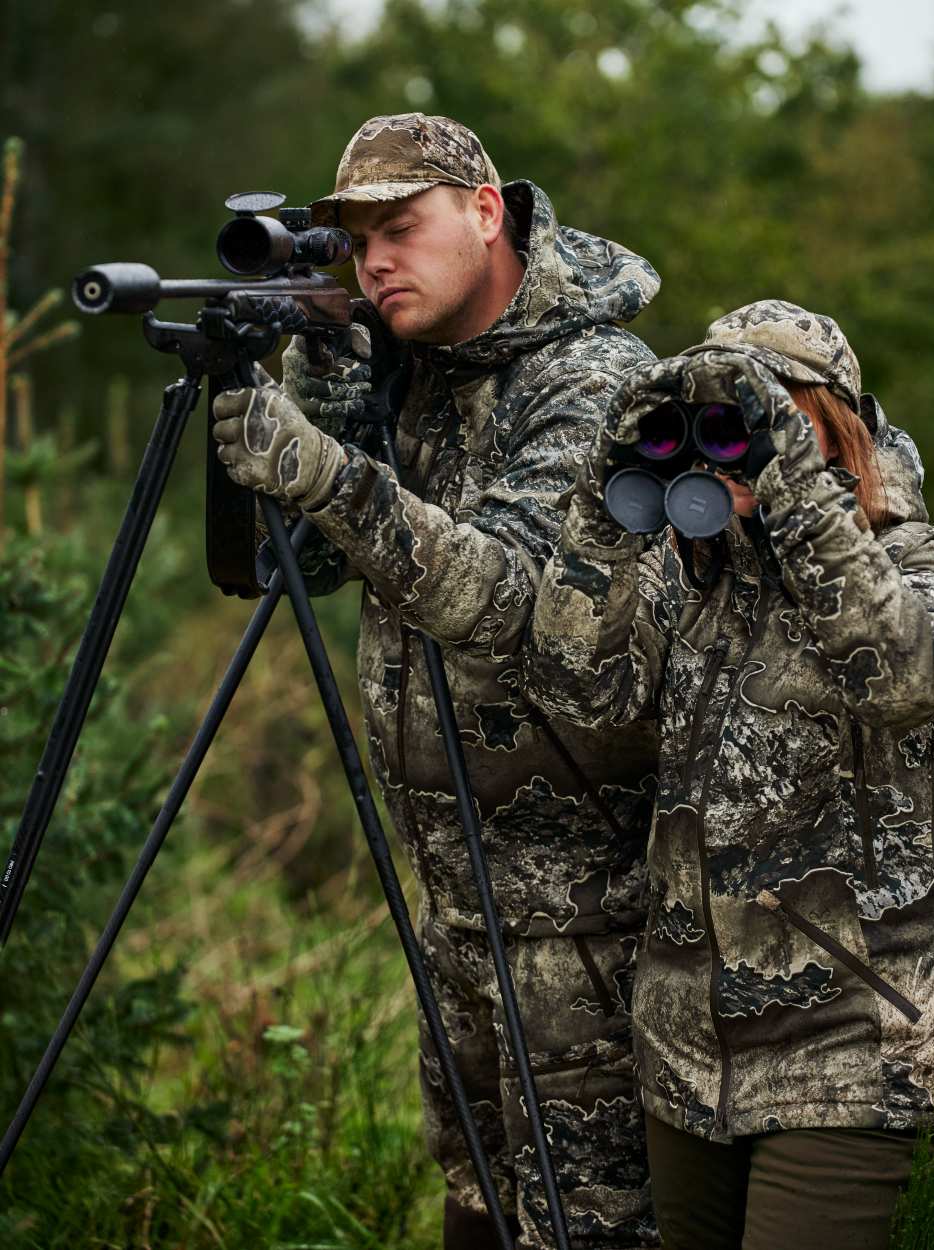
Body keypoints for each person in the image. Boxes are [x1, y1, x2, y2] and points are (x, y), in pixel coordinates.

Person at [211, 113, 662, 1249]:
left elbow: (509, 601)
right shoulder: (407, 365)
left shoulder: (597, 380)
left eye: (397, 230)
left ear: (485, 210)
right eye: (354, 242)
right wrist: (320, 366)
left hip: (587, 922)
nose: (373, 264)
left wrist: (321, 469)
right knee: (475, 1211)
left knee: (587, 1226)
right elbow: (298, 567)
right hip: (455, 908)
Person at [522, 300, 934, 1249]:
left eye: (761, 415)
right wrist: (607, 496)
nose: (730, 445)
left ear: (832, 424)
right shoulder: (696, 583)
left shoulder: (927, 562)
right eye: (717, 425)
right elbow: (575, 686)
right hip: (687, 1053)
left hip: (853, 1051)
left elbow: (902, 675)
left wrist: (791, 480)